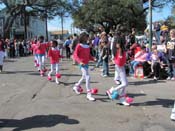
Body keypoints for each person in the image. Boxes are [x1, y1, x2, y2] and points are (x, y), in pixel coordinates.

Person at [106, 36, 130, 106]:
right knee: (125, 83)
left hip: (120, 66)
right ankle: (111, 91)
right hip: (120, 67)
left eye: (118, 43)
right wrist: (118, 62)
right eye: (116, 42)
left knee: (125, 83)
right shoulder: (119, 50)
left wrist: (124, 61)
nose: (116, 44)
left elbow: (119, 60)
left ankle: (122, 99)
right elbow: (118, 61)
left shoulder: (121, 50)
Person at [73, 31, 96, 101]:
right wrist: (80, 62)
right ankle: (89, 94)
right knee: (88, 77)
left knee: (84, 77)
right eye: (86, 36)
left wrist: (93, 58)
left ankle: (76, 86)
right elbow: (75, 55)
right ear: (82, 37)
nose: (87, 38)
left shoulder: (87, 46)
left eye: (87, 37)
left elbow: (88, 55)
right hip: (82, 64)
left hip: (86, 64)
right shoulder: (79, 45)